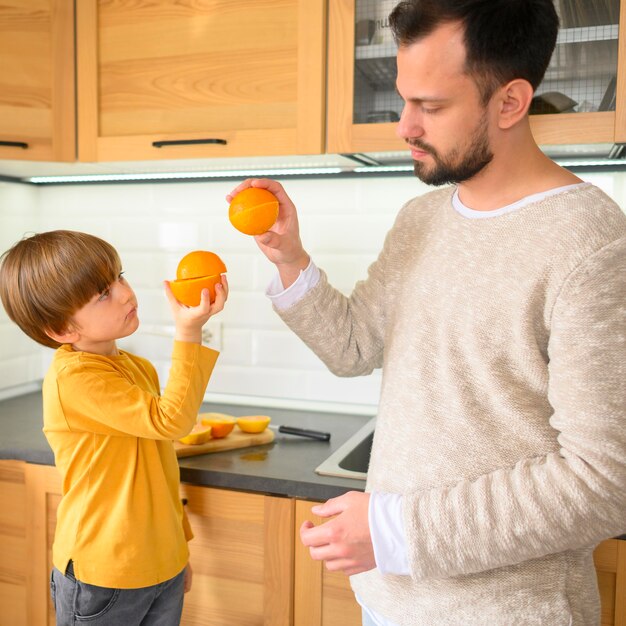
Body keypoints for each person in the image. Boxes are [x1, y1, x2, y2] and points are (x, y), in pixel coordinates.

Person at [226, 0, 626, 624]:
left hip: (507, 613)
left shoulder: (590, 240)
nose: (404, 127)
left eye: (431, 107)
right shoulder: (422, 220)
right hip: (391, 599)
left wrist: (390, 528)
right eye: (405, 100)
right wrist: (289, 257)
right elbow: (355, 347)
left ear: (510, 103)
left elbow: (602, 482)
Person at [0, 230, 228, 626]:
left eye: (118, 277)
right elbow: (171, 420)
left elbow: (159, 468)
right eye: (103, 293)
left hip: (160, 566)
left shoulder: (136, 368)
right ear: (61, 329)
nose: (126, 293)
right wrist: (189, 330)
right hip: (102, 575)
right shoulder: (75, 380)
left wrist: (177, 551)